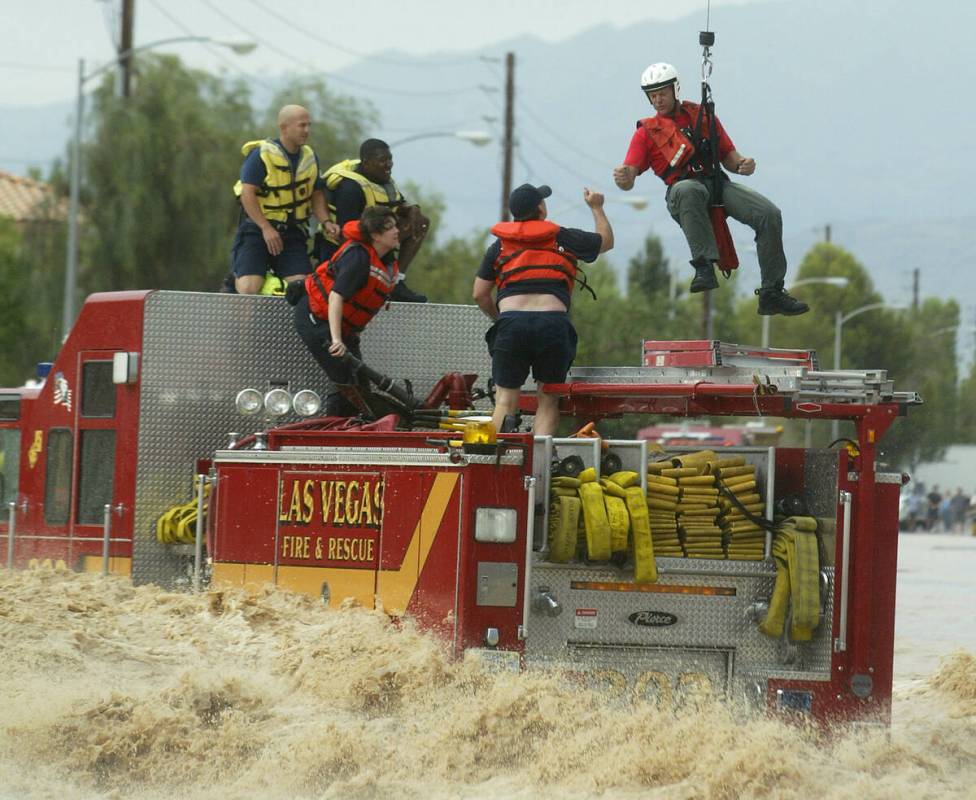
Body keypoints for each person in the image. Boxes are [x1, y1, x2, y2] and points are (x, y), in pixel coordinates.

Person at [612, 63, 808, 317]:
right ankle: (703, 266)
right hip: (683, 192)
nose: (658, 99)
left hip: (716, 184)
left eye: (662, 92)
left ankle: (772, 292)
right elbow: (629, 175)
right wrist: (624, 176)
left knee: (768, 213)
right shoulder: (646, 133)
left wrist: (742, 164)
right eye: (653, 95)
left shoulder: (702, 116)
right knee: (687, 190)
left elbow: (729, 156)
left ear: (675, 89)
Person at [472, 183, 613, 436]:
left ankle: (495, 465)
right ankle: (539, 464)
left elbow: (480, 294)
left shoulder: (499, 246)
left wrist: (499, 319)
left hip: (511, 325)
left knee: (505, 400)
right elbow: (605, 242)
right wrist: (597, 208)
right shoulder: (562, 237)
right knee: (548, 399)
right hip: (553, 325)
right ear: (540, 208)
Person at [290, 206, 400, 417]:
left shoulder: (386, 262)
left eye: (395, 226)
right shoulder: (359, 258)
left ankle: (357, 431)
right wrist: (336, 340)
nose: (396, 231)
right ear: (376, 236)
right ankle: (332, 435)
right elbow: (335, 296)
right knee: (345, 381)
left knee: (361, 384)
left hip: (341, 327)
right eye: (389, 228)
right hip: (315, 317)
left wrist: (352, 335)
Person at [231, 105, 338, 295]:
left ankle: (291, 324)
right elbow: (247, 194)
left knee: (302, 289)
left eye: (309, 125)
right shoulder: (261, 155)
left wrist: (327, 222)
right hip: (257, 230)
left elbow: (317, 194)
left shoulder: (310, 157)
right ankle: (241, 318)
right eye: (302, 125)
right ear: (284, 127)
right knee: (249, 288)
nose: (307, 131)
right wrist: (266, 228)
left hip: (292, 233)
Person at [320, 139, 429, 303]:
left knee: (420, 222)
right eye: (382, 160)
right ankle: (371, 281)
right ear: (367, 163)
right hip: (346, 250)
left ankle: (396, 281)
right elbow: (346, 234)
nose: (389, 165)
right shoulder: (350, 188)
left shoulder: (383, 179)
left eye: (390, 159)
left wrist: (413, 208)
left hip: (377, 239)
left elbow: (398, 203)